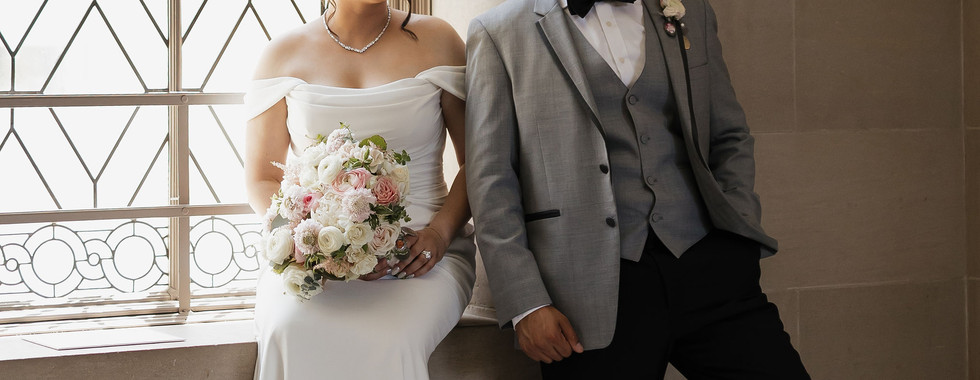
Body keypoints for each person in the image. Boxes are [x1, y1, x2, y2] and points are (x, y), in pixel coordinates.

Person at [464, 0, 810, 378]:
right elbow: (491, 179)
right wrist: (526, 304)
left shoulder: (690, 10)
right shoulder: (498, 29)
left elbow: (729, 135)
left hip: (710, 264)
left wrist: (738, 229)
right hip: (586, 294)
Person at [243, 1, 475, 378]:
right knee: (289, 327)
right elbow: (261, 177)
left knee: (390, 337)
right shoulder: (281, 54)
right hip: (316, 255)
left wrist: (439, 233)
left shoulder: (440, 39)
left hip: (420, 255)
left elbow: (476, 161)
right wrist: (312, 245)